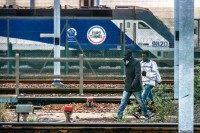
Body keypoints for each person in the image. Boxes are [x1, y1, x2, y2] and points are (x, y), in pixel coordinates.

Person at [115, 49, 150, 120]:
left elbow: (138, 75)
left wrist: (133, 84)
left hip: (135, 87)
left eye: (125, 55)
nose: (124, 56)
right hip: (128, 86)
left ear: (130, 55)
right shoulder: (127, 61)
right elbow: (128, 71)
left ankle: (146, 115)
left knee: (140, 101)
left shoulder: (136, 62)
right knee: (123, 100)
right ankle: (119, 115)